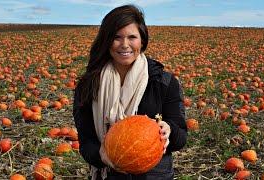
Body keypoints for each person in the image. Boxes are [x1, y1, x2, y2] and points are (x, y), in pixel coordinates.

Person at [73, 4, 187, 180]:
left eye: (132, 37)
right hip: (109, 174)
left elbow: (181, 136)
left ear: (142, 41)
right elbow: (86, 140)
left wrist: (169, 130)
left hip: (154, 176)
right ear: (106, 40)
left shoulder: (163, 82)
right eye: (117, 37)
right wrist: (101, 156)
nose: (124, 45)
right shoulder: (89, 85)